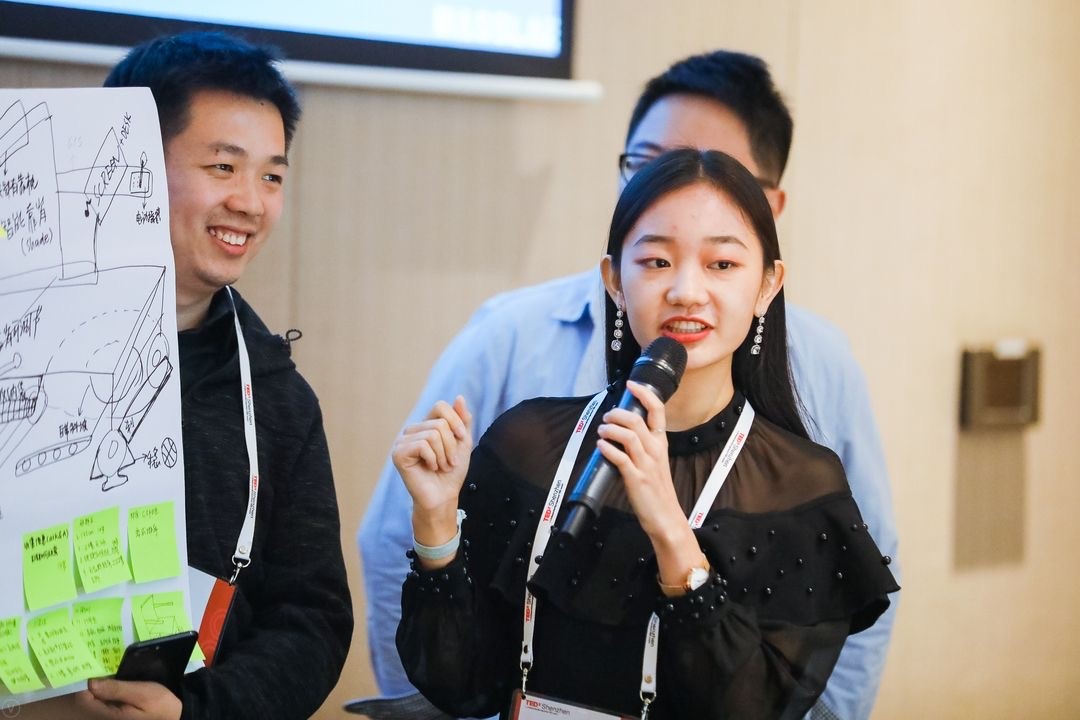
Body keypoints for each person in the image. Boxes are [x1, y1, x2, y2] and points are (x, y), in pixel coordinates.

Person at [358, 50, 899, 719]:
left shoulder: (800, 486)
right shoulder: (527, 440)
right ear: (615, 279)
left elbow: (755, 705)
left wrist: (671, 530)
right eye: (657, 260)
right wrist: (438, 524)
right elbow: (460, 682)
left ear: (767, 284)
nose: (686, 290)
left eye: (722, 263)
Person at [18, 31, 353, 720]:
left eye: (272, 176)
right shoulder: (17, 350)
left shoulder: (278, 399)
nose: (251, 203)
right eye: (223, 167)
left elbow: (312, 620)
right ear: (133, 162)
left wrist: (194, 712)